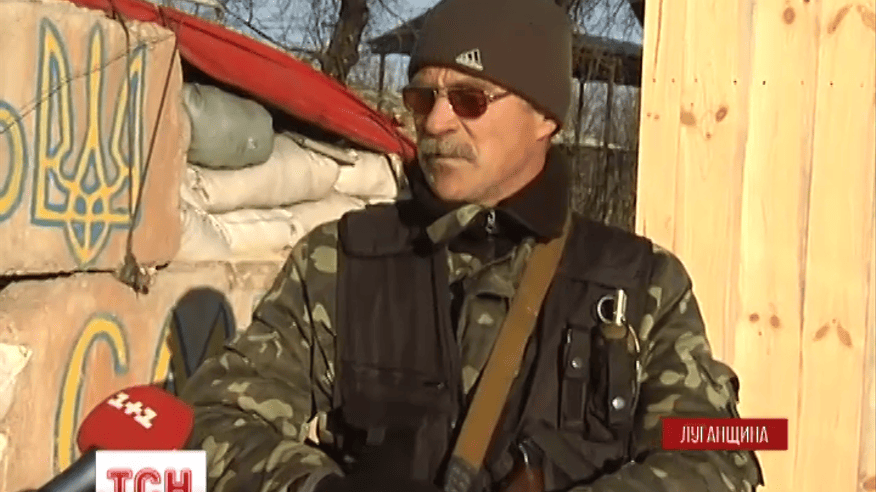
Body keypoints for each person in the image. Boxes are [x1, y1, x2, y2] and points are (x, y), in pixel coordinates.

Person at [179, 0, 766, 490]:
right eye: (422, 99)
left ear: (545, 117)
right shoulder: (341, 260)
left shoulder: (643, 284)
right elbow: (214, 417)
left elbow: (721, 452)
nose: (435, 124)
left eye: (470, 100)